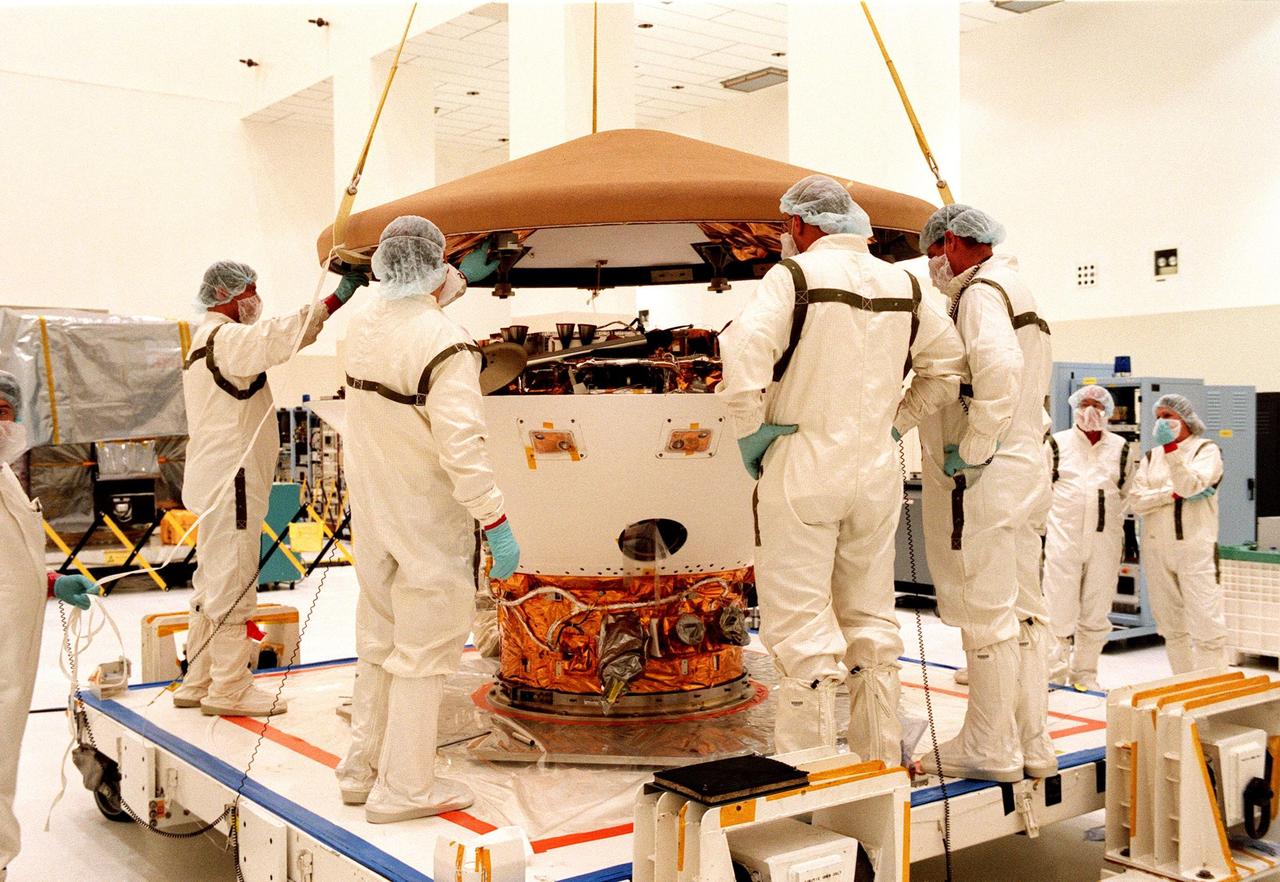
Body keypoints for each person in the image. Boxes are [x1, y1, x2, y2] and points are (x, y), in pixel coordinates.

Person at [719, 175, 965, 766]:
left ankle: (810, 774)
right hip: (875, 474)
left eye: (788, 226)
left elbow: (744, 352)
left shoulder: (795, 277)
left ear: (804, 226)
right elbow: (946, 367)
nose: (787, 236)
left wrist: (749, 428)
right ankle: (877, 764)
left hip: (803, 467)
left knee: (802, 629)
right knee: (871, 621)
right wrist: (894, 423)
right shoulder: (905, 284)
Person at [335, 216, 520, 824]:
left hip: (375, 509)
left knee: (378, 640)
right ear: (435, 265)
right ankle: (406, 790)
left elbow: (405, 311)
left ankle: (361, 770)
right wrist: (495, 520)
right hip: (426, 519)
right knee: (424, 651)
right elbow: (462, 449)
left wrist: (449, 284)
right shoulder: (448, 344)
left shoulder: (359, 326)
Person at [898, 203, 1056, 783]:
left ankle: (988, 746)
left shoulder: (982, 292)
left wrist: (976, 445)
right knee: (1025, 612)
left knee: (985, 611)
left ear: (961, 243)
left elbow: (997, 367)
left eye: (937, 250)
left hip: (988, 475)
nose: (934, 263)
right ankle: (1031, 742)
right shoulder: (1021, 289)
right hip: (1026, 469)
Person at [178, 261, 366, 716]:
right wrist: (337, 298)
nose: (256, 299)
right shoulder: (226, 340)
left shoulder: (204, 340)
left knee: (212, 580)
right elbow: (281, 336)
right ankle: (229, 688)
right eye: (251, 290)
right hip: (234, 480)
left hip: (216, 479)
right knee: (233, 582)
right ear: (227, 294)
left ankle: (197, 680)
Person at [1, 371, 99, 881]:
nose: (4, 423)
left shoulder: (2, 474)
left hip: (10, 656)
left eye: (7, 412)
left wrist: (46, 581)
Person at [1042, 385, 1135, 691]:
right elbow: (1042, 489)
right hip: (1063, 539)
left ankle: (1085, 674)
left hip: (1103, 541)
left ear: (1107, 410)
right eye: (1085, 404)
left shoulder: (1120, 448)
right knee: (1058, 608)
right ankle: (1053, 673)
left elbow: (1125, 494)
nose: (1090, 410)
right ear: (1074, 408)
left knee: (1096, 609)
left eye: (1097, 404)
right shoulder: (1057, 444)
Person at [1128, 394, 1225, 673]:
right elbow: (1136, 501)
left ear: (1186, 419)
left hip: (1195, 549)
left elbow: (1190, 484)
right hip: (1157, 549)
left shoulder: (1205, 451)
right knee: (1171, 627)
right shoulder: (1151, 456)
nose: (1161, 421)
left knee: (1207, 626)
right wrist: (1169, 494)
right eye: (1158, 416)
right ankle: (1183, 684)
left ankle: (1212, 691)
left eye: (1168, 416)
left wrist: (1172, 453)